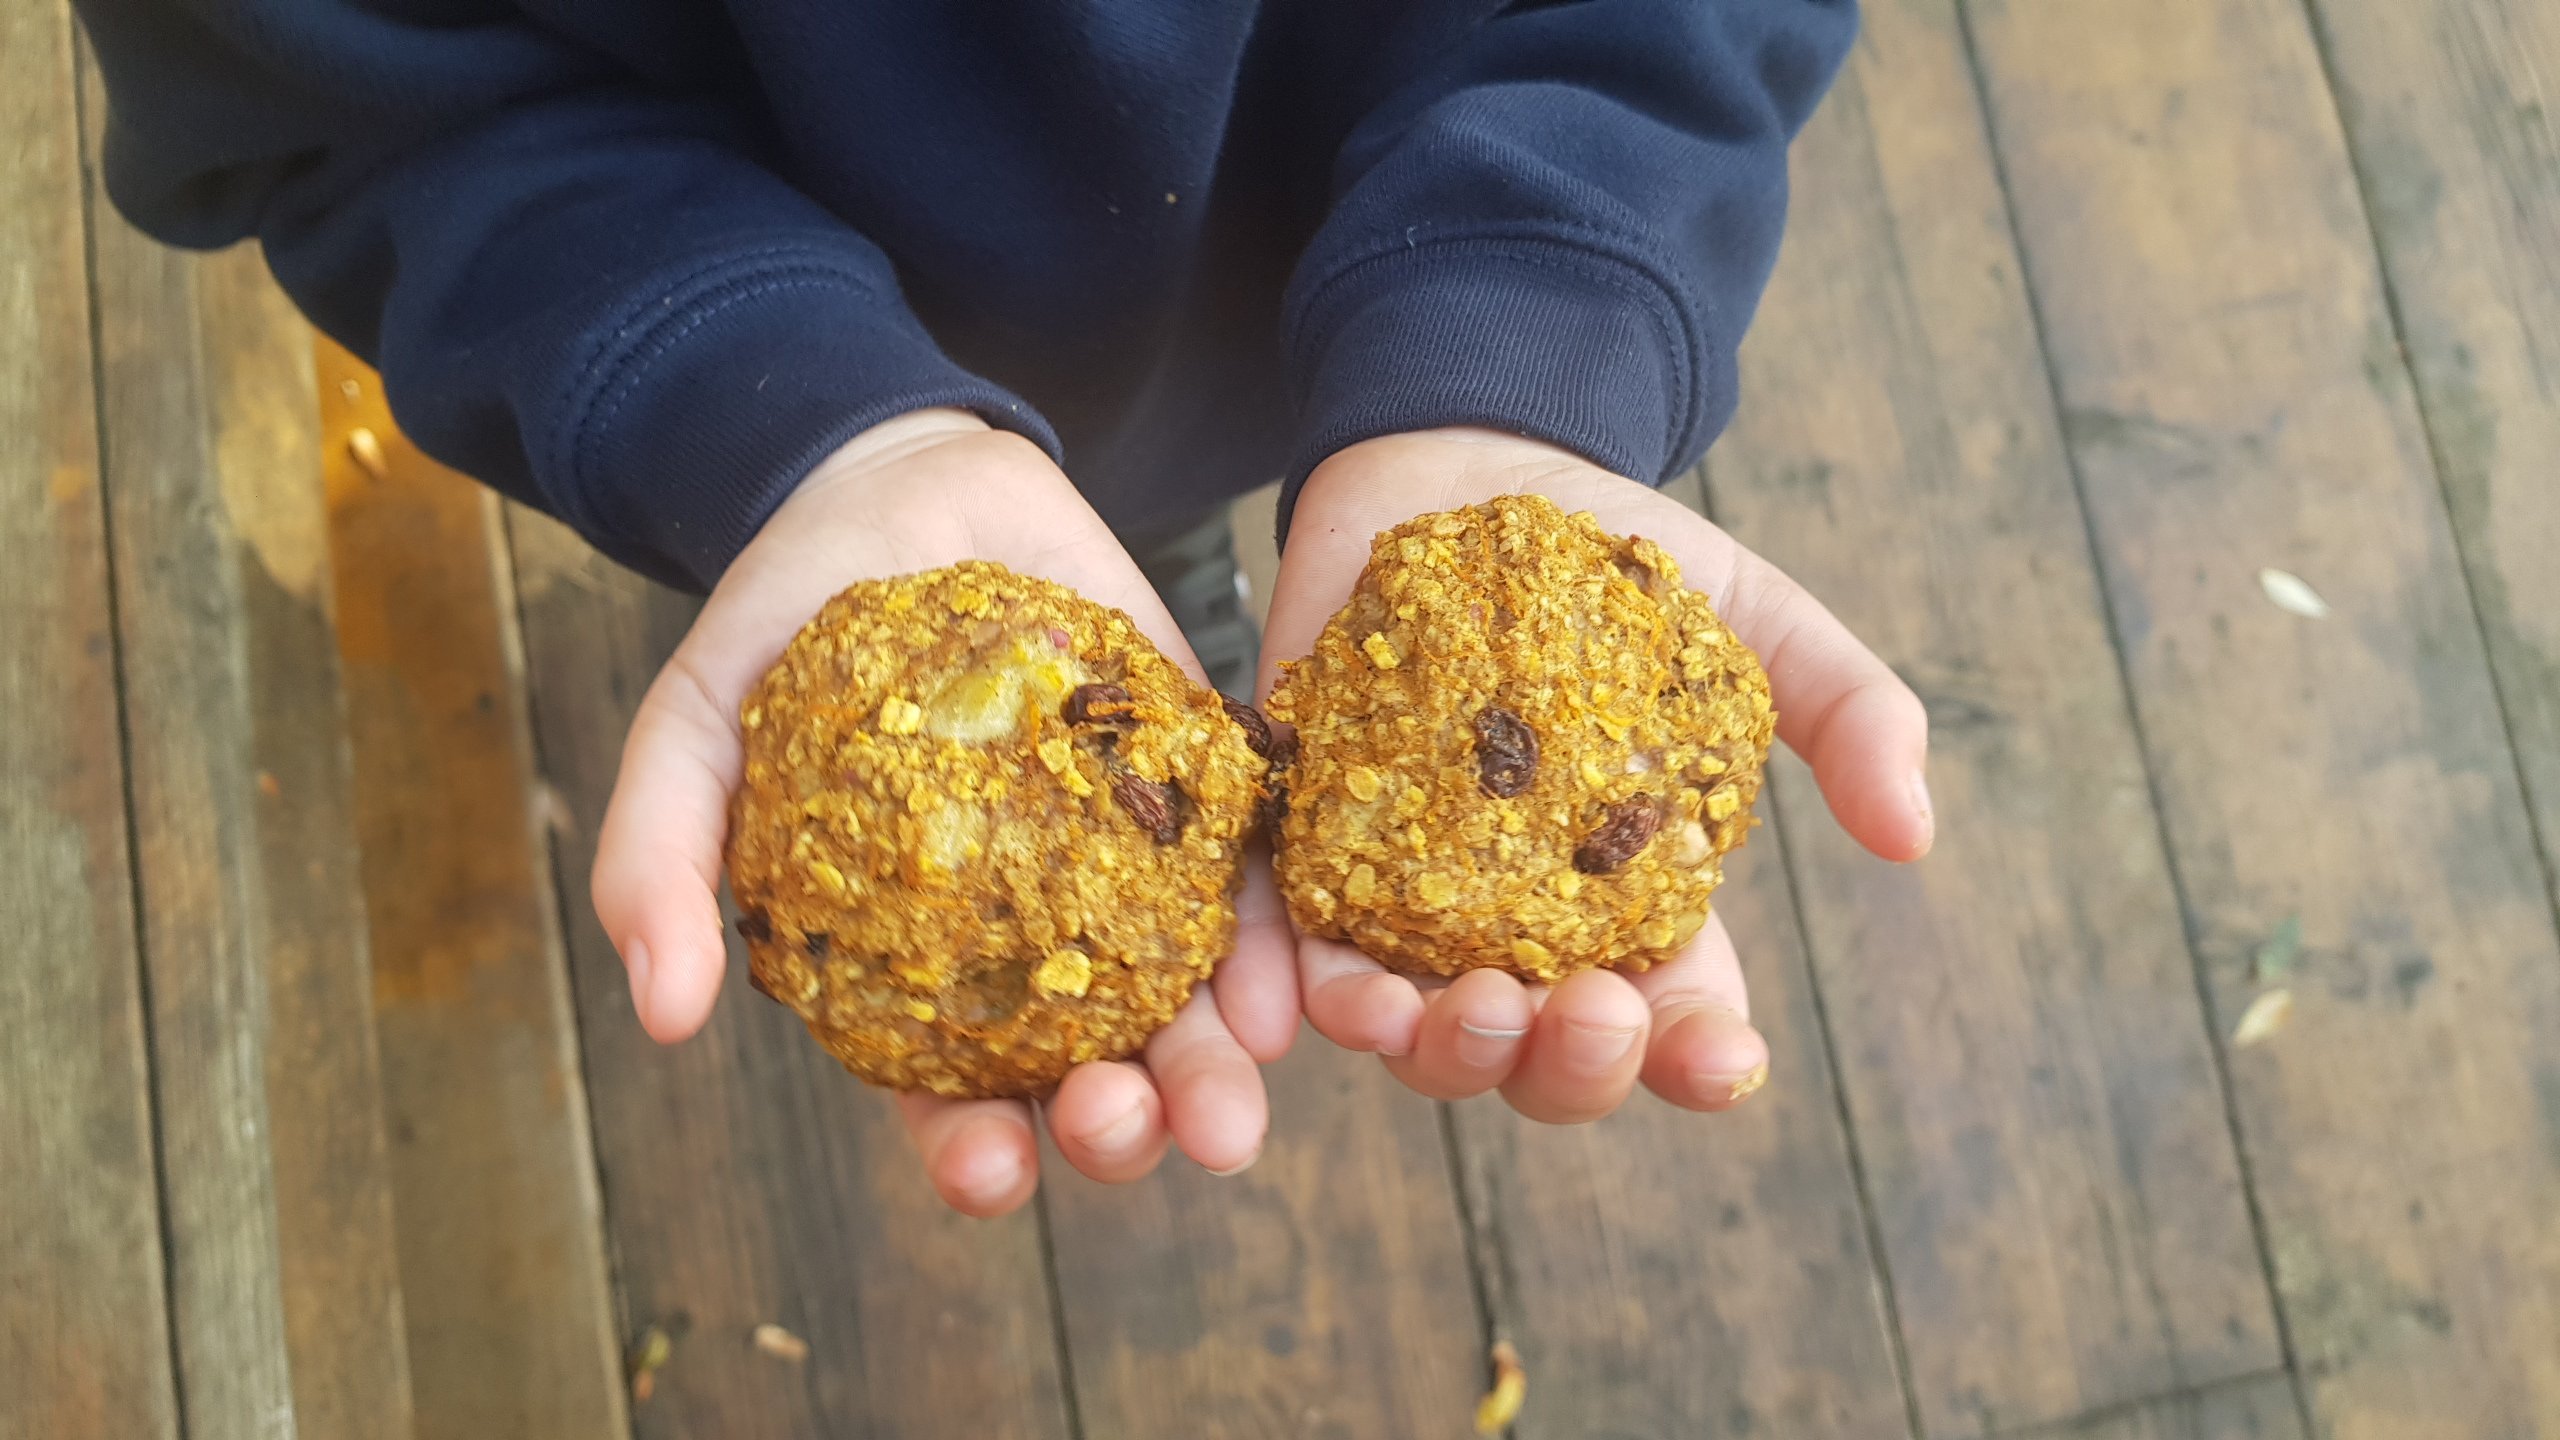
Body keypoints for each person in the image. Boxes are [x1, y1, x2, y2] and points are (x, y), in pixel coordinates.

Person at [79, 0, 1931, 1218]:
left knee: (1164, 504)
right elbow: (345, 99)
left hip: (1316, 286)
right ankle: (1081, 549)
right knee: (1068, 566)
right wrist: (791, 421)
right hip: (745, 324)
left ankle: (1164, 562)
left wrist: (1530, 325)